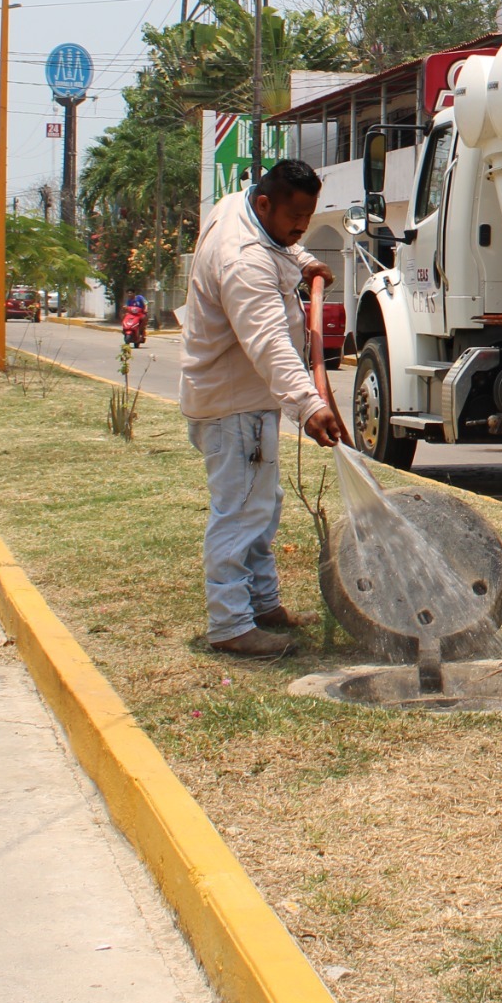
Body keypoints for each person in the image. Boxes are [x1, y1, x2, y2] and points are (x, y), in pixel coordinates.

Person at [180, 158, 347, 659]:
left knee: (261, 506)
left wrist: (301, 260)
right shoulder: (243, 262)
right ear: (264, 204)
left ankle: (261, 602)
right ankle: (230, 623)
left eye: (309, 217)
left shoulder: (241, 207)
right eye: (294, 217)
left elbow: (280, 242)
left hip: (245, 402)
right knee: (238, 515)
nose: (300, 227)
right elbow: (270, 341)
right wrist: (309, 405)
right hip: (233, 408)